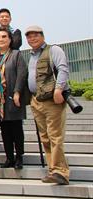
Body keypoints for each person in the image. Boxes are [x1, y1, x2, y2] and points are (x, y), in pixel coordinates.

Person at [25, 25, 70, 185]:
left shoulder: (53, 50)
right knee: (45, 137)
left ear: (42, 36)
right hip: (37, 100)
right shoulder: (31, 55)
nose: (32, 38)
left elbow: (63, 70)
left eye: (35, 35)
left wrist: (59, 89)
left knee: (55, 135)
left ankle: (60, 171)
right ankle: (53, 170)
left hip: (52, 100)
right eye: (29, 36)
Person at [0, 27, 29, 169]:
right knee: (5, 130)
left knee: (16, 128)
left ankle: (19, 157)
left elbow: (22, 74)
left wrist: (18, 92)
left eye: (4, 36)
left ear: (10, 39)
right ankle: (9, 158)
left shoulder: (16, 54)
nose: (1, 39)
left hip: (13, 97)